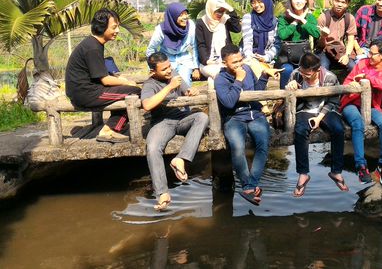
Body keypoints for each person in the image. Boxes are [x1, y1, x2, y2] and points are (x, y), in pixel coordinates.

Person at [141, 52, 209, 211]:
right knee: (152, 148)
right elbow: (147, 105)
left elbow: (187, 90)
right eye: (164, 69)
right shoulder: (149, 85)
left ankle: (181, 159)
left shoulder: (175, 74)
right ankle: (162, 193)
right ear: (153, 72)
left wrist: (191, 92)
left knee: (202, 117)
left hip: (182, 117)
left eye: (169, 66)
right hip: (163, 122)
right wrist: (169, 87)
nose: (169, 71)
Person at [215, 44, 278, 205]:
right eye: (234, 62)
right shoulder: (220, 79)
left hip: (255, 114)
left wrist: (264, 76)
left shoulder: (248, 69)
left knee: (263, 144)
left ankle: (251, 185)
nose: (239, 64)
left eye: (240, 60)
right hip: (234, 118)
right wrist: (238, 79)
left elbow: (256, 92)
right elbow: (229, 102)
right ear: (224, 63)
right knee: (237, 148)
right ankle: (247, 186)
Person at [65, 8, 141, 143]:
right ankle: (109, 130)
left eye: (118, 27)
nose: (118, 30)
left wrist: (121, 81)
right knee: (135, 92)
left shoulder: (92, 43)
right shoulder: (93, 48)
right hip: (85, 94)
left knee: (126, 90)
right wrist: (126, 82)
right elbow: (105, 80)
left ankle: (114, 125)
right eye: (114, 27)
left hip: (82, 91)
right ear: (101, 27)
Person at [285, 53, 348, 196]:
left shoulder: (330, 77)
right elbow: (289, 99)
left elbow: (334, 101)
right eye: (302, 72)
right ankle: (303, 173)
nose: (304, 76)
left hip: (325, 109)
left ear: (317, 70)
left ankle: (336, 171)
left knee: (338, 129)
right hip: (304, 109)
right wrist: (291, 87)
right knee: (300, 130)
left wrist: (319, 118)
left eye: (308, 74)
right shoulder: (296, 74)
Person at [340, 38, 382, 188]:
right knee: (358, 124)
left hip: (372, 106)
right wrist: (352, 85)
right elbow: (346, 83)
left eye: (372, 53)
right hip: (351, 103)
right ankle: (361, 166)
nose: (368, 56)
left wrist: (366, 77)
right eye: (369, 52)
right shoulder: (361, 64)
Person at [276, 0, 320, 88]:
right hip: (287, 58)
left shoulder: (310, 17)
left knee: (309, 69)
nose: (298, 1)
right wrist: (296, 21)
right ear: (290, 1)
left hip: (304, 56)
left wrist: (303, 20)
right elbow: (282, 35)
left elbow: (316, 33)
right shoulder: (283, 18)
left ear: (306, 1)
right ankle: (284, 95)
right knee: (287, 69)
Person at [146, 3, 200, 86]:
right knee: (166, 83)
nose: (185, 17)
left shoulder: (190, 26)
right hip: (166, 60)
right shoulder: (161, 30)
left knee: (184, 81)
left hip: (184, 60)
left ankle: (185, 95)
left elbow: (195, 47)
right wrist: (154, 68)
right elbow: (151, 49)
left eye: (186, 14)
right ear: (173, 17)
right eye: (181, 15)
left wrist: (196, 68)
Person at [196, 0, 241, 80]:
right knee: (218, 73)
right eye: (217, 11)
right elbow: (201, 44)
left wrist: (231, 10)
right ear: (211, 9)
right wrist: (206, 60)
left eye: (222, 11)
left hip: (226, 60)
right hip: (209, 62)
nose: (220, 14)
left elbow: (237, 29)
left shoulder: (225, 20)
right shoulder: (201, 23)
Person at [316, 0, 357, 71]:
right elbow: (319, 45)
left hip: (340, 49)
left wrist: (347, 55)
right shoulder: (323, 17)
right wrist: (323, 36)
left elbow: (350, 40)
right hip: (324, 50)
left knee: (352, 67)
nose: (339, 5)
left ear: (348, 4)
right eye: (337, 1)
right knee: (324, 68)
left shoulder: (349, 18)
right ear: (332, 0)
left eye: (343, 2)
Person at [241, 0, 278, 77]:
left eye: (259, 1)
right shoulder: (248, 18)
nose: (256, 5)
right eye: (253, 2)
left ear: (266, 1)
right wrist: (251, 57)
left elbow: (276, 45)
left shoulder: (274, 21)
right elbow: (247, 41)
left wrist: (266, 57)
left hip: (266, 59)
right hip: (249, 58)